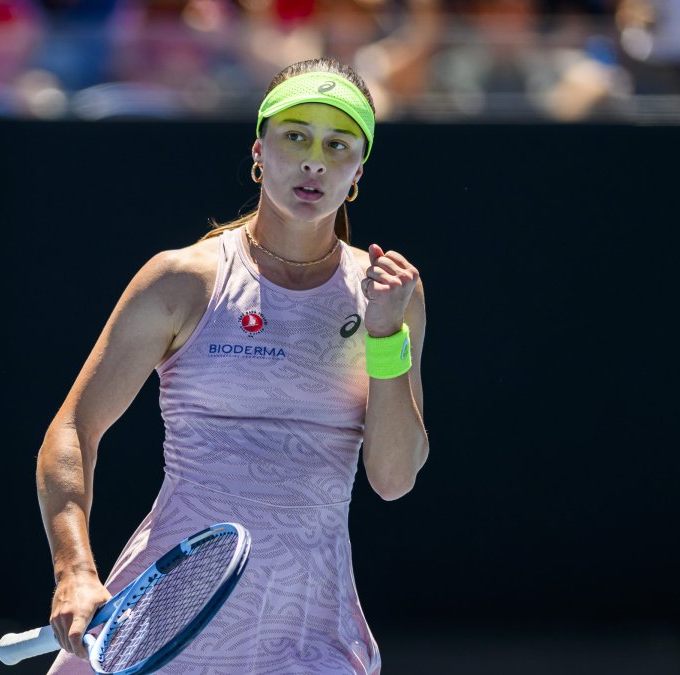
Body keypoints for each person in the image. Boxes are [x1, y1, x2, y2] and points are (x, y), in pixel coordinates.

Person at [38, 56, 428, 674]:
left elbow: (393, 476)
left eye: (337, 144)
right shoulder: (182, 280)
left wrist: (385, 334)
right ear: (258, 150)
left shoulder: (388, 294)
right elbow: (70, 431)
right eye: (294, 136)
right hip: (162, 627)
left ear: (357, 171)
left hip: (310, 636)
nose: (313, 161)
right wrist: (75, 571)